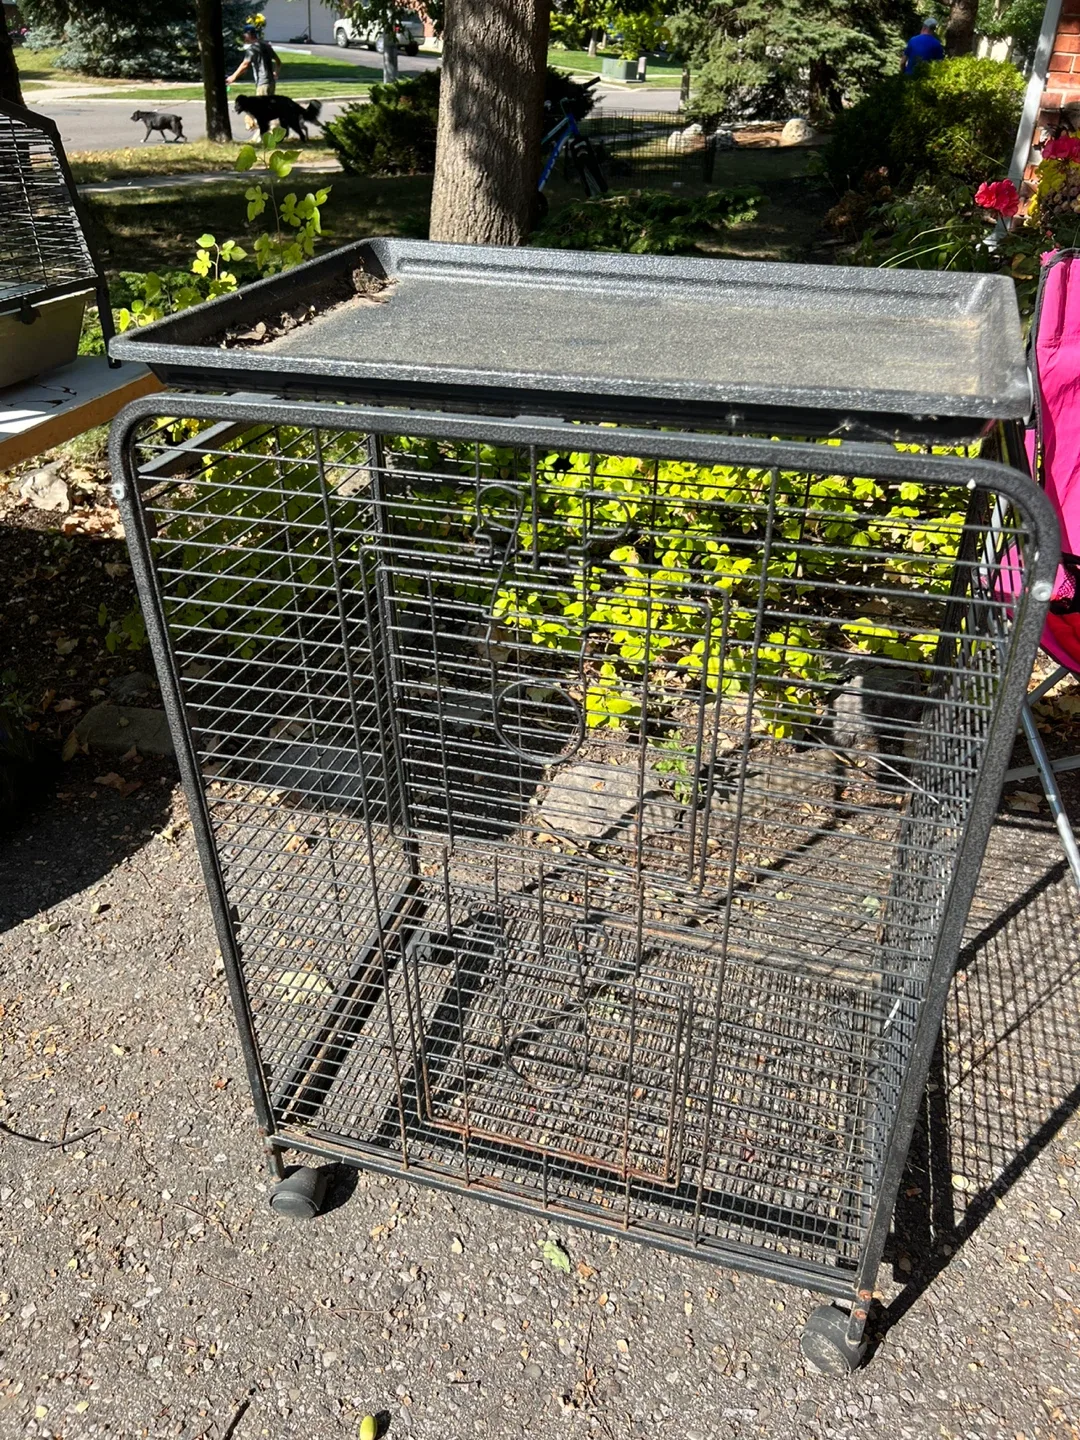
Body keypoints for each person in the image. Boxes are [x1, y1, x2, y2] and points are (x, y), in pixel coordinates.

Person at [227, 25, 281, 97]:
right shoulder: (266, 46)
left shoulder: (252, 49)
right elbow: (278, 61)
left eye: (244, 35)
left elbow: (245, 64)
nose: (244, 37)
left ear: (249, 35)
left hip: (263, 83)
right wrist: (276, 72)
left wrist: (233, 77)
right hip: (271, 83)